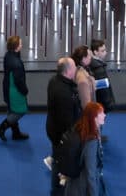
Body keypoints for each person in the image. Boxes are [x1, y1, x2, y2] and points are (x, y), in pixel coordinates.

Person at [46, 57, 81, 195]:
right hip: (62, 135)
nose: (76, 70)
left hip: (53, 129)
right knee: (62, 163)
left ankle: (56, 189)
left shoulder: (54, 81)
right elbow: (67, 121)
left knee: (57, 160)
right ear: (68, 71)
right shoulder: (64, 93)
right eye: (74, 67)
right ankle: (58, 191)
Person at [64, 102, 108, 196]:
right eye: (101, 113)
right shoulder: (91, 141)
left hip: (73, 184)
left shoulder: (80, 129)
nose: (104, 115)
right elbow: (90, 174)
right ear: (94, 117)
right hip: (83, 188)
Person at [0, 35, 30, 142]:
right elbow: (19, 81)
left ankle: (16, 133)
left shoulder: (8, 55)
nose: (22, 45)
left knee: (12, 110)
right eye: (20, 43)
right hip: (15, 91)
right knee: (20, 111)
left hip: (8, 88)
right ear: (16, 46)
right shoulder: (16, 62)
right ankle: (2, 127)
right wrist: (25, 91)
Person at [89, 39, 115, 130]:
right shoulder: (98, 67)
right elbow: (103, 89)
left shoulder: (97, 65)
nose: (105, 53)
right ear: (95, 52)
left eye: (105, 50)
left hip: (99, 101)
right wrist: (108, 103)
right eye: (102, 51)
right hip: (101, 101)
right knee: (98, 121)